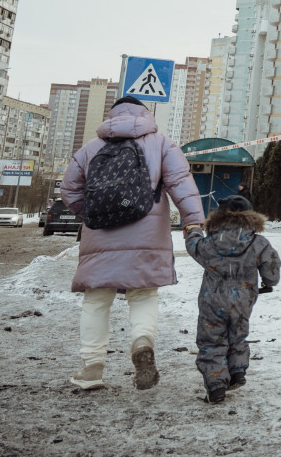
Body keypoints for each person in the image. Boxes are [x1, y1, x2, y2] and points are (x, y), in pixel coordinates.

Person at [60, 96, 205, 391]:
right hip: (147, 234)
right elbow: (182, 184)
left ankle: (91, 369)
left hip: (100, 233)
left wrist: (92, 214)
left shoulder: (91, 148)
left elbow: (69, 190)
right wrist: (193, 222)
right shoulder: (162, 143)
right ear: (144, 113)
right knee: (143, 293)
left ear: (111, 116)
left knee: (97, 299)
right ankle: (141, 342)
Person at [184, 195, 281, 403]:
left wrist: (193, 230)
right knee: (237, 335)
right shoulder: (258, 243)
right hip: (243, 301)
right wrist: (268, 282)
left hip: (213, 301)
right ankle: (237, 371)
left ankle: (216, 385)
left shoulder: (209, 243)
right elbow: (272, 264)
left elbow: (194, 247)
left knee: (211, 341)